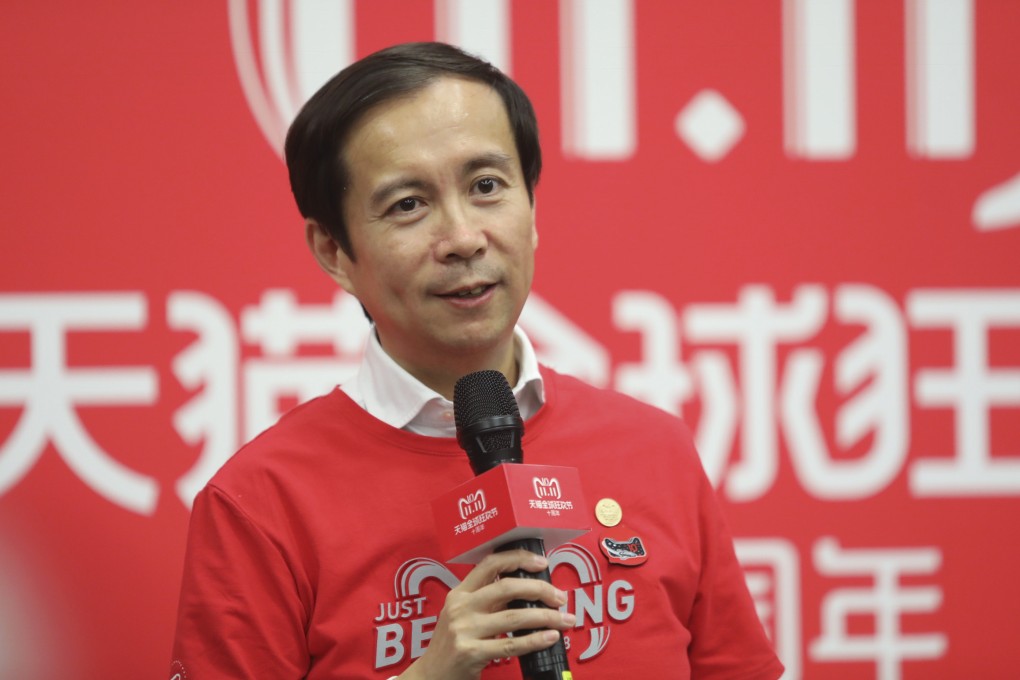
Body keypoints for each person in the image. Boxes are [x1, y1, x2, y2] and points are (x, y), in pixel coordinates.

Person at [170, 42, 783, 680]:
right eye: (408, 204)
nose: (463, 239)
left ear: (533, 206)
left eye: (487, 186)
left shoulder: (654, 450)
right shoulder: (260, 503)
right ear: (333, 250)